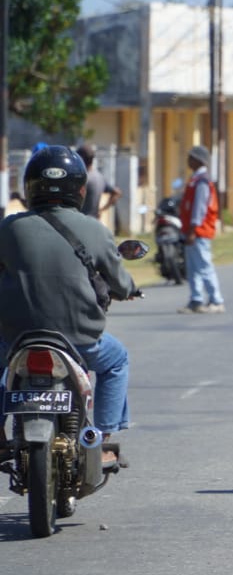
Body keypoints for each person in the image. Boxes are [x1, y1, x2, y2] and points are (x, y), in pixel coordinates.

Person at [0, 146, 137, 467]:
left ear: (30, 186)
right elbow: (120, 283)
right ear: (80, 189)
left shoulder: (8, 228)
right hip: (79, 339)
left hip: (15, 337)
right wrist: (131, 290)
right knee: (117, 362)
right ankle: (100, 439)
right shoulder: (96, 230)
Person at [177, 145, 226, 314]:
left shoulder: (203, 181)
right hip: (192, 230)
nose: (188, 161)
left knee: (204, 266)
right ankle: (196, 300)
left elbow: (200, 207)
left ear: (198, 160)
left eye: (191, 158)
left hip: (199, 231)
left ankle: (216, 300)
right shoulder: (195, 179)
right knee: (193, 268)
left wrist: (192, 229)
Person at [76, 144, 122, 220]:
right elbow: (117, 193)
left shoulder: (82, 178)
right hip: (95, 221)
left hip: (81, 222)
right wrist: (102, 210)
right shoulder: (99, 177)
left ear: (81, 158)